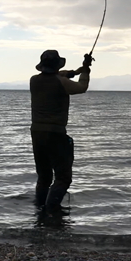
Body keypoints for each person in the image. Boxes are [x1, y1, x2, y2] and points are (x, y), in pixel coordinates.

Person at [30, 50, 92, 213]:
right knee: (63, 178)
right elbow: (81, 87)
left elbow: (60, 75)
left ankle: (40, 210)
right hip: (55, 134)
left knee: (44, 177)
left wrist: (78, 70)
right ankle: (52, 209)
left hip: (37, 134)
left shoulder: (34, 80)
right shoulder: (61, 82)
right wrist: (85, 71)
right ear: (57, 65)